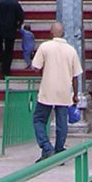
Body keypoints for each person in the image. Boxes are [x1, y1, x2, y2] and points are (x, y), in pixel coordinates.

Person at [31, 20, 82, 161]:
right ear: (63, 33)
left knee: (39, 119)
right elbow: (75, 76)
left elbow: (36, 67)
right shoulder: (71, 50)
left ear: (51, 33)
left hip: (47, 91)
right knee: (62, 123)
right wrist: (75, 95)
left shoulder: (45, 47)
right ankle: (59, 150)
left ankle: (46, 147)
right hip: (64, 92)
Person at [0, 0, 24, 77]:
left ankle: (0, 60)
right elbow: (21, 17)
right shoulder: (16, 4)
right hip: (11, 29)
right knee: (9, 50)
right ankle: (6, 70)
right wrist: (18, 26)